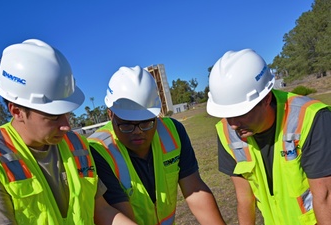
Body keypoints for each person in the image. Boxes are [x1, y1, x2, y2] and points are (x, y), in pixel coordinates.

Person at [0, 39, 136, 225]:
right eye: (53, 116)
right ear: (17, 112)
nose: (67, 125)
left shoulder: (77, 145)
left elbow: (101, 209)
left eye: (67, 113)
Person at [206, 48, 331, 225]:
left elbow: (325, 197)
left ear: (265, 99)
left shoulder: (311, 119)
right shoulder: (227, 133)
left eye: (240, 112)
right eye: (227, 114)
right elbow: (244, 199)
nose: (233, 124)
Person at [88, 65, 225, 225]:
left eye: (146, 122)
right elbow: (121, 214)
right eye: (127, 125)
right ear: (110, 114)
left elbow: (194, 190)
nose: (138, 132)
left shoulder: (173, 131)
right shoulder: (98, 150)